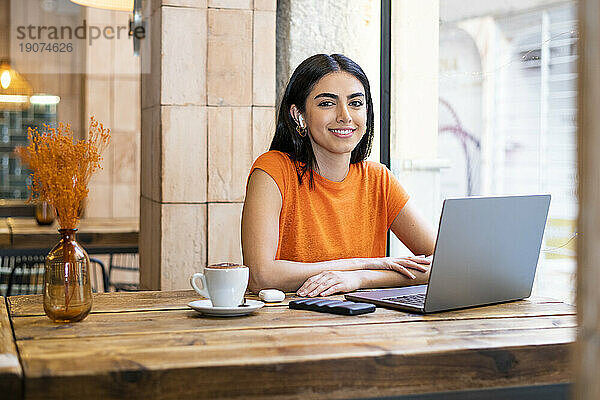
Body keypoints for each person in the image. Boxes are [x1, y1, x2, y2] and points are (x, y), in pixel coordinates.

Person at [242, 54, 436, 297]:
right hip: (289, 325)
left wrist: (359, 278)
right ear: (298, 114)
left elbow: (444, 263)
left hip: (367, 324)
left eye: (355, 103)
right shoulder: (272, 170)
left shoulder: (378, 179)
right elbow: (260, 276)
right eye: (327, 103)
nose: (345, 115)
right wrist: (362, 263)